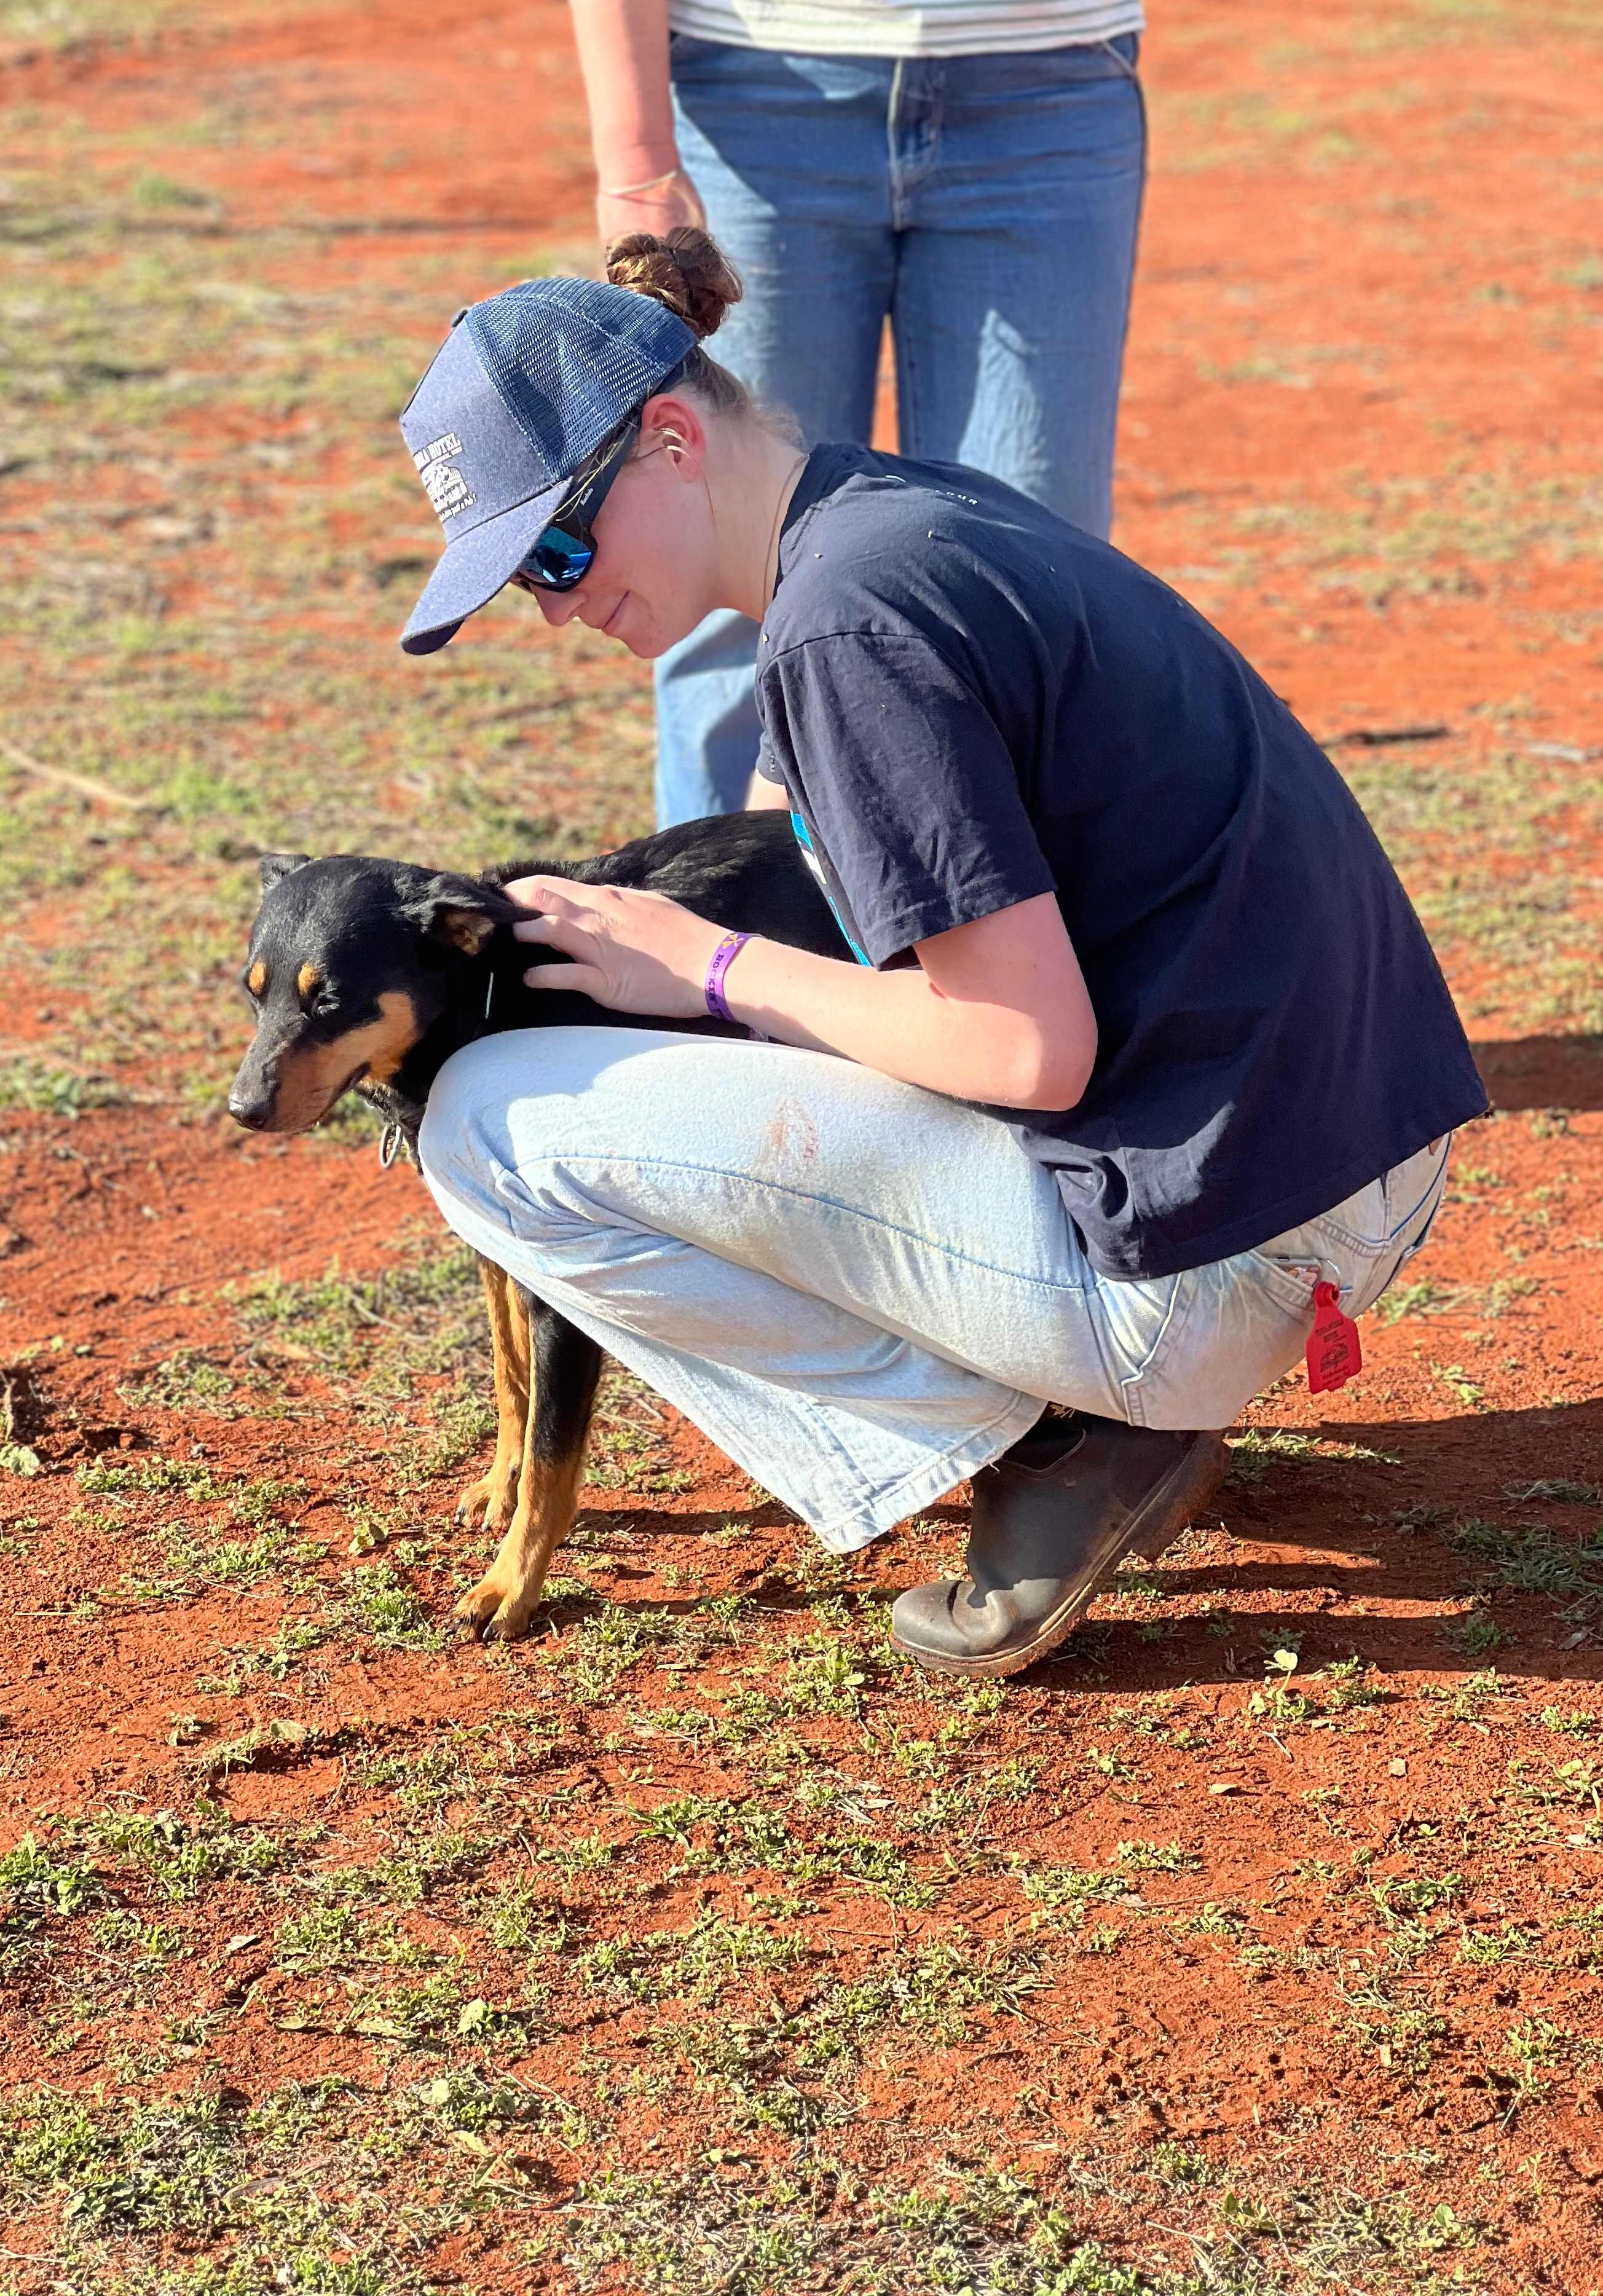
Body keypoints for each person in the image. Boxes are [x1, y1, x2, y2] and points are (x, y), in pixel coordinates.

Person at [391, 229, 1486, 1677]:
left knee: (490, 1125)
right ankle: (1096, 1407)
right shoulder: (881, 518)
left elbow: (1028, 1051)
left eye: (555, 548)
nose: (553, 605)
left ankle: (1061, 1441)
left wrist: (709, 973)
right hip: (1332, 1168)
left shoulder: (846, 627)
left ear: (669, 440)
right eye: (519, 580)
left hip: (1234, 1251)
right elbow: (838, 884)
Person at [553, 0, 1197, 827]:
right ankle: (716, 965)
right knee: (721, 569)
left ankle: (1009, 962)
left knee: (1028, 582)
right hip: (757, 101)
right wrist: (635, 163)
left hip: (1048, 92)